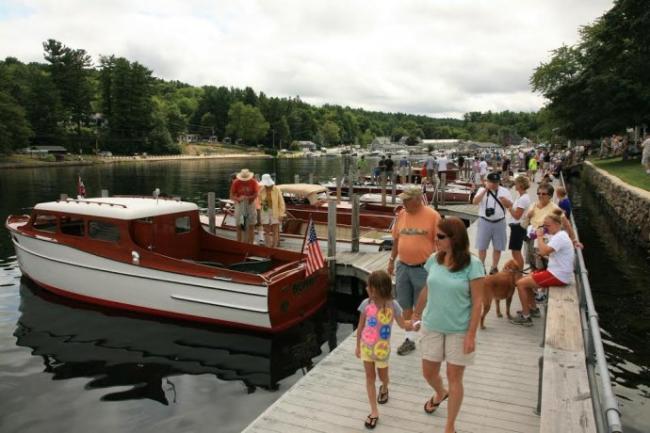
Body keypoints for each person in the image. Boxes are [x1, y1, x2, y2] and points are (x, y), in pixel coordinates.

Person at [412, 217, 485, 433]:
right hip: (432, 325)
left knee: (455, 377)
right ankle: (440, 392)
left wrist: (471, 335)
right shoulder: (434, 259)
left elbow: (478, 302)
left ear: (455, 239)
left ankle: (450, 426)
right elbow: (428, 288)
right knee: (428, 372)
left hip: (459, 330)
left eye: (440, 236)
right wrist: (416, 313)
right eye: (436, 235)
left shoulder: (473, 265)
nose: (436, 239)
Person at [387, 185, 441, 355]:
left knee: (421, 306)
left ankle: (415, 337)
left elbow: (440, 243)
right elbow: (396, 240)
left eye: (407, 200)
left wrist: (440, 266)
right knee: (405, 305)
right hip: (403, 267)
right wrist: (391, 260)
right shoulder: (401, 214)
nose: (403, 203)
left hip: (423, 268)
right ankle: (410, 338)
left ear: (417, 199)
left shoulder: (433, 216)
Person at [356, 270, 412, 429]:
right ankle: (374, 411)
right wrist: (358, 346)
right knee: (370, 378)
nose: (366, 288)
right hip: (366, 348)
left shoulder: (393, 305)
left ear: (377, 289)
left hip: (382, 352)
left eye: (369, 286)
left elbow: (403, 324)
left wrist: (413, 324)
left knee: (383, 378)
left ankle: (385, 387)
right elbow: (360, 326)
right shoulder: (366, 304)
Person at [511, 210, 576, 326]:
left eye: (547, 225)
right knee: (527, 279)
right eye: (544, 225)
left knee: (520, 284)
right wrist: (544, 255)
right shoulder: (560, 235)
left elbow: (544, 250)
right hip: (558, 271)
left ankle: (526, 317)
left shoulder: (559, 237)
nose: (545, 228)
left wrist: (540, 237)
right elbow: (550, 253)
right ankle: (533, 309)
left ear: (557, 224)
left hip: (558, 275)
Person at [472, 172, 513, 274]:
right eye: (491, 182)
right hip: (484, 221)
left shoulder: (504, 191)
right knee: (482, 246)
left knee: (498, 247)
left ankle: (494, 267)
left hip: (499, 222)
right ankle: (481, 266)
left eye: (496, 182)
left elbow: (510, 205)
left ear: (499, 182)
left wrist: (505, 201)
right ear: (487, 181)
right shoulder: (481, 190)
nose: (494, 184)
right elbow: (475, 202)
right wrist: (485, 190)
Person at [506, 175, 531, 270]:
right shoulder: (520, 196)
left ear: (520, 185)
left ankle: (519, 273)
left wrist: (509, 207)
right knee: (514, 251)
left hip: (518, 227)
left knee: (516, 252)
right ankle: (518, 272)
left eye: (516, 183)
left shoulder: (523, 198)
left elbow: (517, 216)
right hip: (516, 227)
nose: (514, 184)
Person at [230, 168, 259, 243]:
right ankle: (240, 243)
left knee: (251, 226)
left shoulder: (253, 182)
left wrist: (248, 198)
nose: (245, 181)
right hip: (240, 205)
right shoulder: (236, 182)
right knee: (241, 226)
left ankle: (251, 243)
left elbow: (256, 194)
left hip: (250, 205)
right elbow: (231, 196)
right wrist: (238, 199)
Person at [258, 174, 285, 248]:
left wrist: (281, 214)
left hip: (275, 210)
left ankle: (274, 246)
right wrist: (262, 203)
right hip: (265, 210)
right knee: (266, 230)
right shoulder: (262, 189)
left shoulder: (276, 189)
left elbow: (281, 203)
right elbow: (259, 200)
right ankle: (268, 246)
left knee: (275, 230)